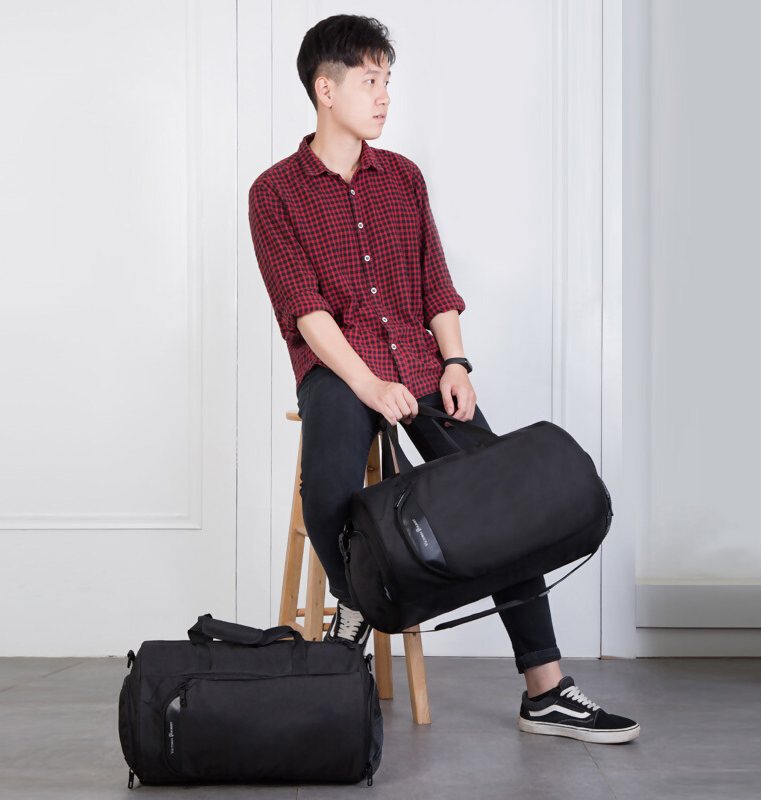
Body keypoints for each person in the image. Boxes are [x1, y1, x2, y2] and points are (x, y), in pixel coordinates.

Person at [248, 13, 639, 745]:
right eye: (370, 80)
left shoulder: (403, 178)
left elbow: (437, 287)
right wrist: (369, 386)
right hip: (339, 367)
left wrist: (455, 363)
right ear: (325, 89)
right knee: (329, 484)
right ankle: (357, 596)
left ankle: (546, 691)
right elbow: (306, 312)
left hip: (423, 364)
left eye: (387, 80)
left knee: (500, 497)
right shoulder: (275, 193)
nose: (385, 95)